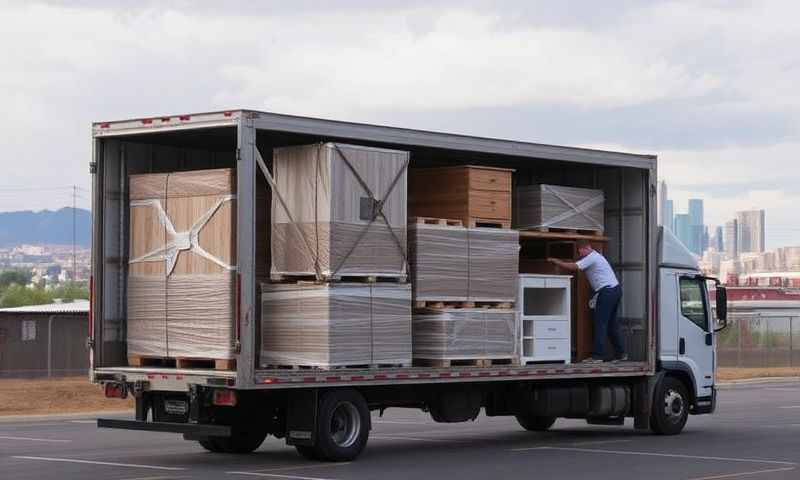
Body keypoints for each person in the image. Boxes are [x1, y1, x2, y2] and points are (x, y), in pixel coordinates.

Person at [547, 240, 626, 363]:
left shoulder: (592, 258)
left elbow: (574, 267)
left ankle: (598, 356)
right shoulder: (596, 256)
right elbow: (577, 264)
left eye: (579, 252)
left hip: (607, 292)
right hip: (615, 290)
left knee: (600, 323)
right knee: (611, 324)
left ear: (584, 248)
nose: (579, 255)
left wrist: (556, 261)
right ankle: (620, 354)